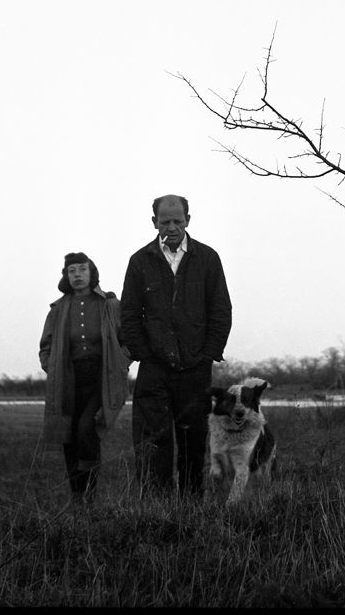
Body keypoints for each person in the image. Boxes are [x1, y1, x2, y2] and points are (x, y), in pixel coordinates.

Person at [120, 194, 232, 495]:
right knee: (152, 441)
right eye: (165, 221)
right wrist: (144, 354)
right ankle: (157, 512)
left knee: (193, 441)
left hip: (195, 368)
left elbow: (221, 311)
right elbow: (129, 315)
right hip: (154, 368)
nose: (171, 227)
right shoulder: (140, 261)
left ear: (188, 220)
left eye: (177, 221)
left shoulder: (207, 259)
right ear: (154, 222)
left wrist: (207, 355)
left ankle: (191, 509)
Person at [39, 252, 131, 503]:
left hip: (101, 377)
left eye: (82, 269)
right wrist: (53, 368)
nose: (77, 275)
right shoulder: (58, 310)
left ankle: (90, 493)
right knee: (67, 433)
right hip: (68, 378)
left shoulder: (110, 305)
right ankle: (77, 497)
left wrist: (120, 363)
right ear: (66, 276)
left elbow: (128, 340)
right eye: (72, 271)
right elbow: (45, 346)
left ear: (92, 273)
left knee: (86, 429)